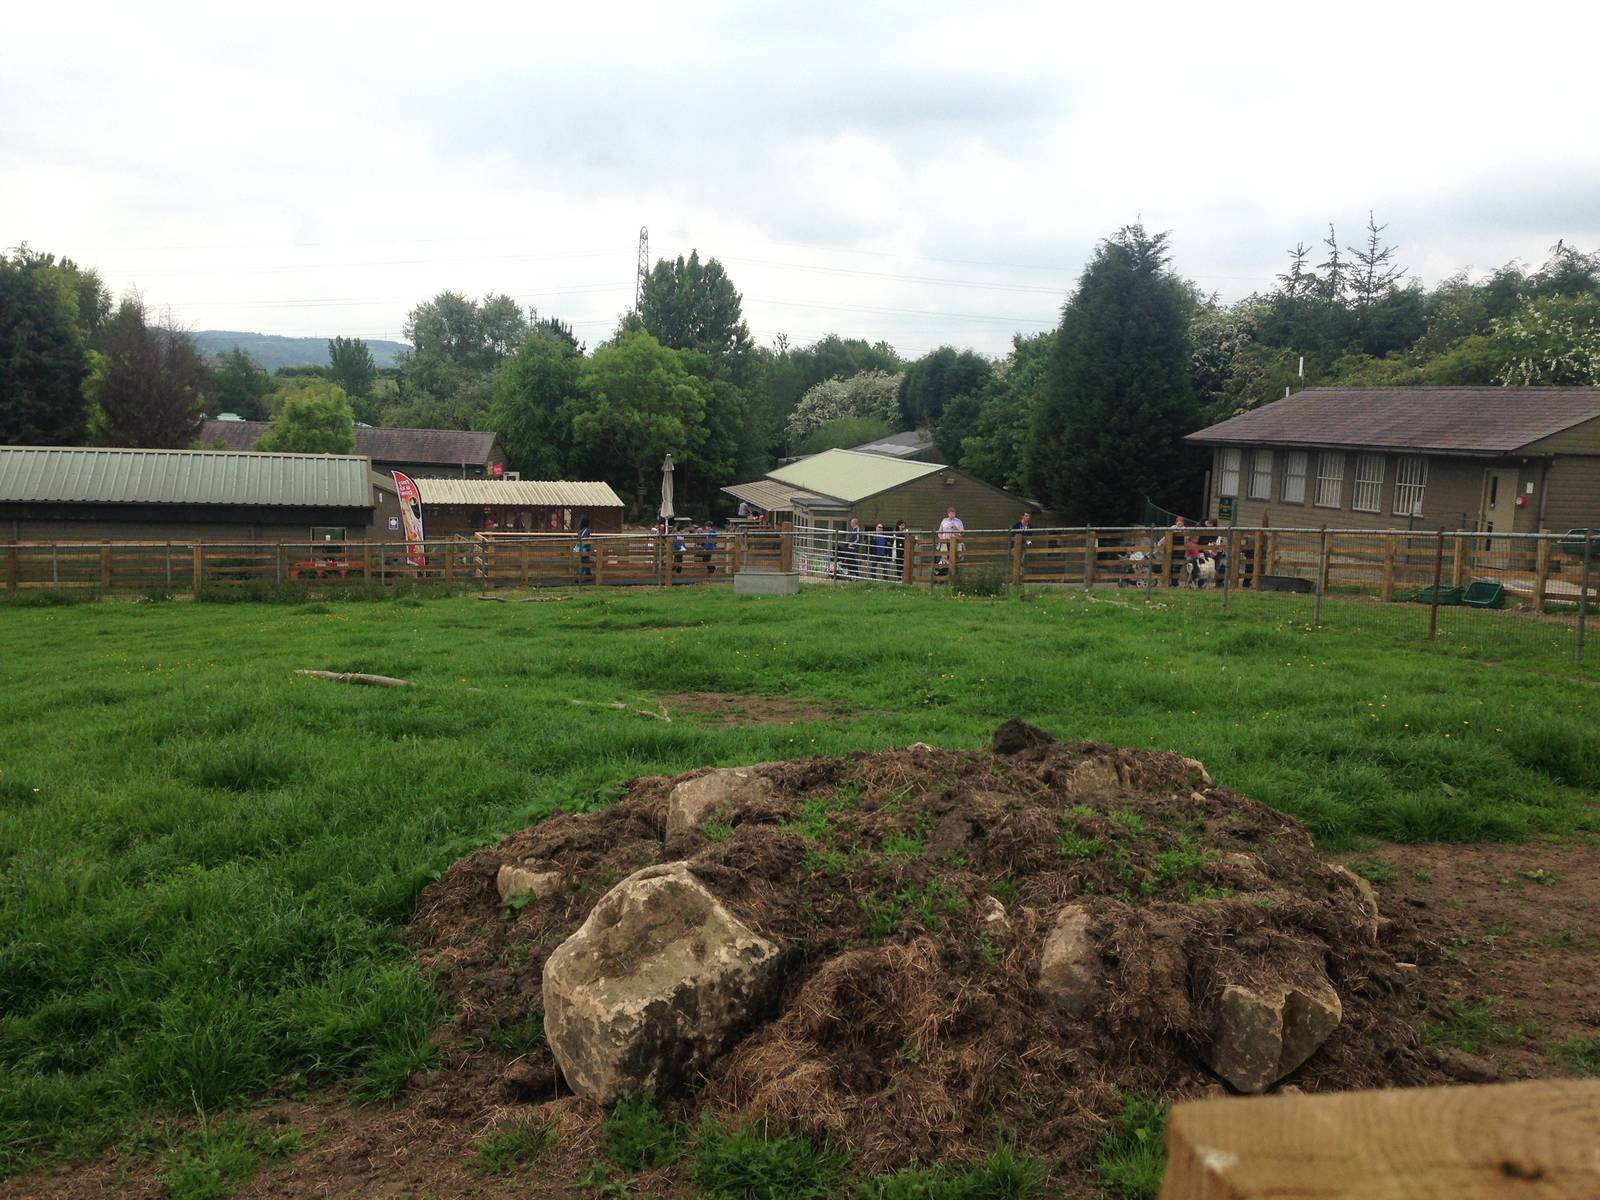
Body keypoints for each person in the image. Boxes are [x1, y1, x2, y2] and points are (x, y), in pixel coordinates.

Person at [936, 507, 964, 577]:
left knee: (955, 558)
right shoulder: (944, 521)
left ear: (955, 514)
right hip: (945, 542)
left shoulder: (958, 521)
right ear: (948, 514)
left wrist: (955, 528)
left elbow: (962, 533)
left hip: (955, 543)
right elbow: (939, 532)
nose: (951, 515)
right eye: (950, 513)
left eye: (953, 513)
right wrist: (941, 539)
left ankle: (954, 574)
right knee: (945, 557)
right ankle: (944, 574)